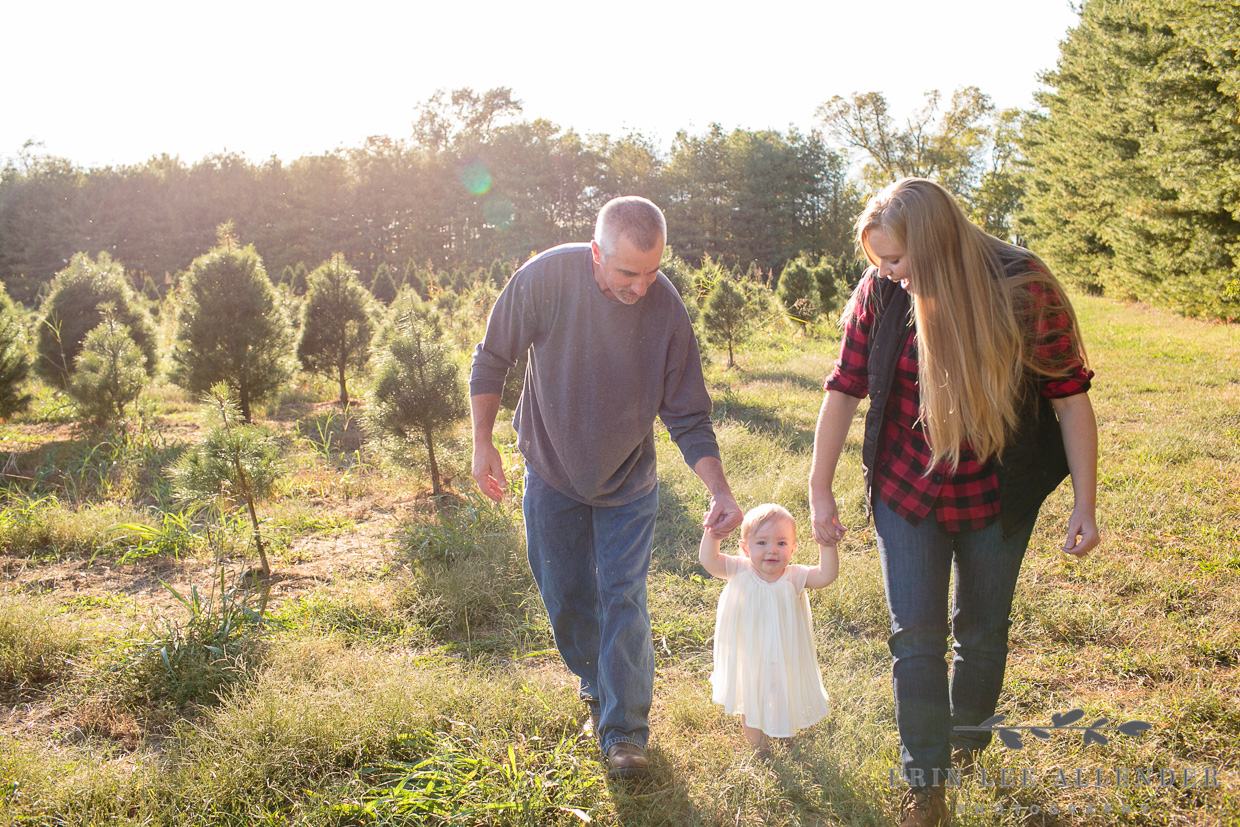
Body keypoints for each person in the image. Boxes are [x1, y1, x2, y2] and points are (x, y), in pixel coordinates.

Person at [808, 178, 1100, 827]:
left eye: (895, 259)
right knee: (915, 637)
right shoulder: (882, 292)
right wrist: (819, 484)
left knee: (983, 631)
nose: (884, 272)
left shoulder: (1024, 286)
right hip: (905, 486)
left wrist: (1086, 501)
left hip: (997, 490)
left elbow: (1070, 395)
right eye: (878, 259)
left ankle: (965, 743)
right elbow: (844, 386)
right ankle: (926, 781)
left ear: (935, 245)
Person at [469, 196, 743, 781]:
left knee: (623, 597)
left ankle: (625, 733)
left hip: (627, 480)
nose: (641, 286)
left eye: (653, 271)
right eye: (627, 273)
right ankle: (596, 685)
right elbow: (492, 358)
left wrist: (718, 490)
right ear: (596, 254)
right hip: (550, 468)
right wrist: (482, 441)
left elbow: (688, 414)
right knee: (566, 594)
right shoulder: (546, 279)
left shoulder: (665, 309)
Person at [698, 503, 837, 755]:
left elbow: (826, 575)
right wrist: (713, 532)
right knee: (751, 697)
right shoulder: (739, 569)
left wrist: (827, 543)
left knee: (779, 692)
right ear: (744, 548)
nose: (772, 550)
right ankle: (758, 749)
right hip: (748, 655)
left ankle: (781, 730)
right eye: (761, 543)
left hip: (782, 656)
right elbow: (708, 560)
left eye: (782, 543)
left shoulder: (794, 576)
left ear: (793, 548)